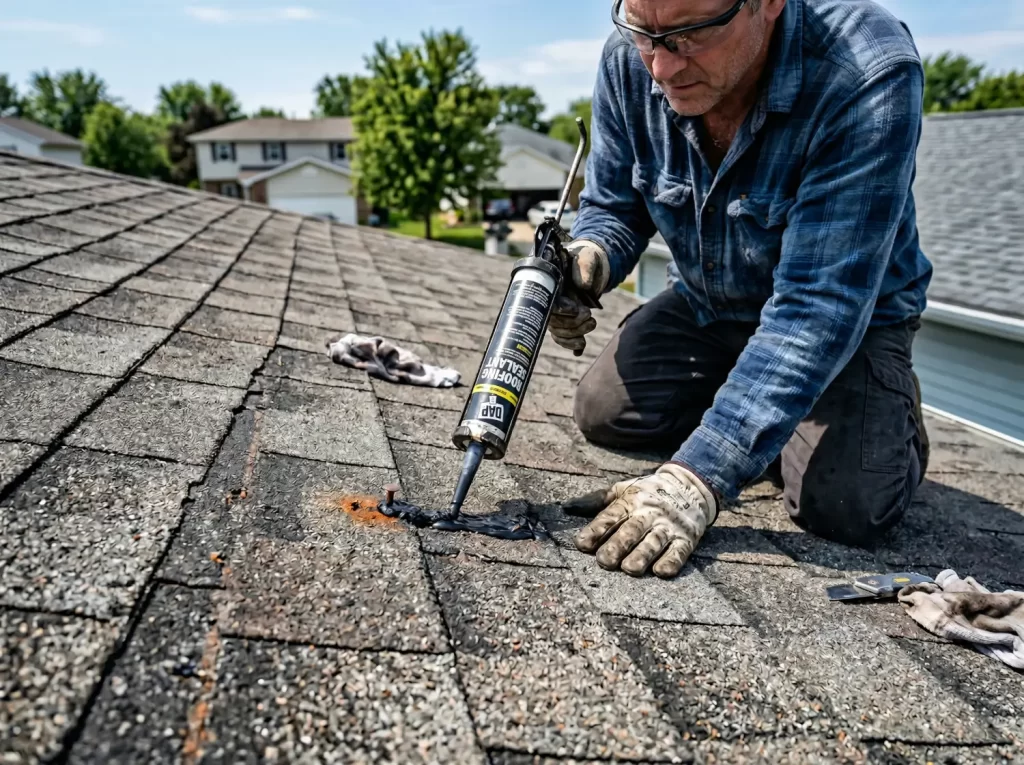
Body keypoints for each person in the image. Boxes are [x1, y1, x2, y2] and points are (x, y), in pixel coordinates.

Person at [549, 0, 933, 579]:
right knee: (605, 411)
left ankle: (874, 404)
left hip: (846, 327)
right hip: (710, 302)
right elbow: (613, 208)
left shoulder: (868, 71)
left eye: (689, 34)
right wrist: (588, 261)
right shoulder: (629, 59)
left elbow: (818, 307)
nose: (660, 68)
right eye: (644, 32)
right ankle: (760, 413)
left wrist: (697, 477)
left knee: (846, 504)